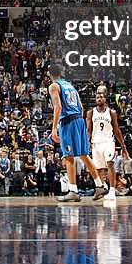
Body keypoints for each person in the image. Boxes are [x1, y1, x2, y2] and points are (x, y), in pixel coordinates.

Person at [47, 64, 109, 202]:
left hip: (68, 121)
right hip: (79, 119)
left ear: (49, 74)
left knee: (68, 157)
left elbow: (58, 107)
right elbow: (81, 107)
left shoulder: (53, 86)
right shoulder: (69, 85)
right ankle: (100, 185)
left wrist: (54, 128)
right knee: (84, 155)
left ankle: (73, 190)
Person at [86, 86, 127, 201]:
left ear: (105, 99)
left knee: (110, 164)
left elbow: (117, 130)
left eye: (101, 97)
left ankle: (112, 190)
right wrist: (87, 142)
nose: (99, 99)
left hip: (108, 141)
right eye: (97, 97)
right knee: (99, 168)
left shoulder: (111, 113)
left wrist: (123, 146)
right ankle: (103, 188)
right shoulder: (90, 113)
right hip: (96, 143)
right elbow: (88, 130)